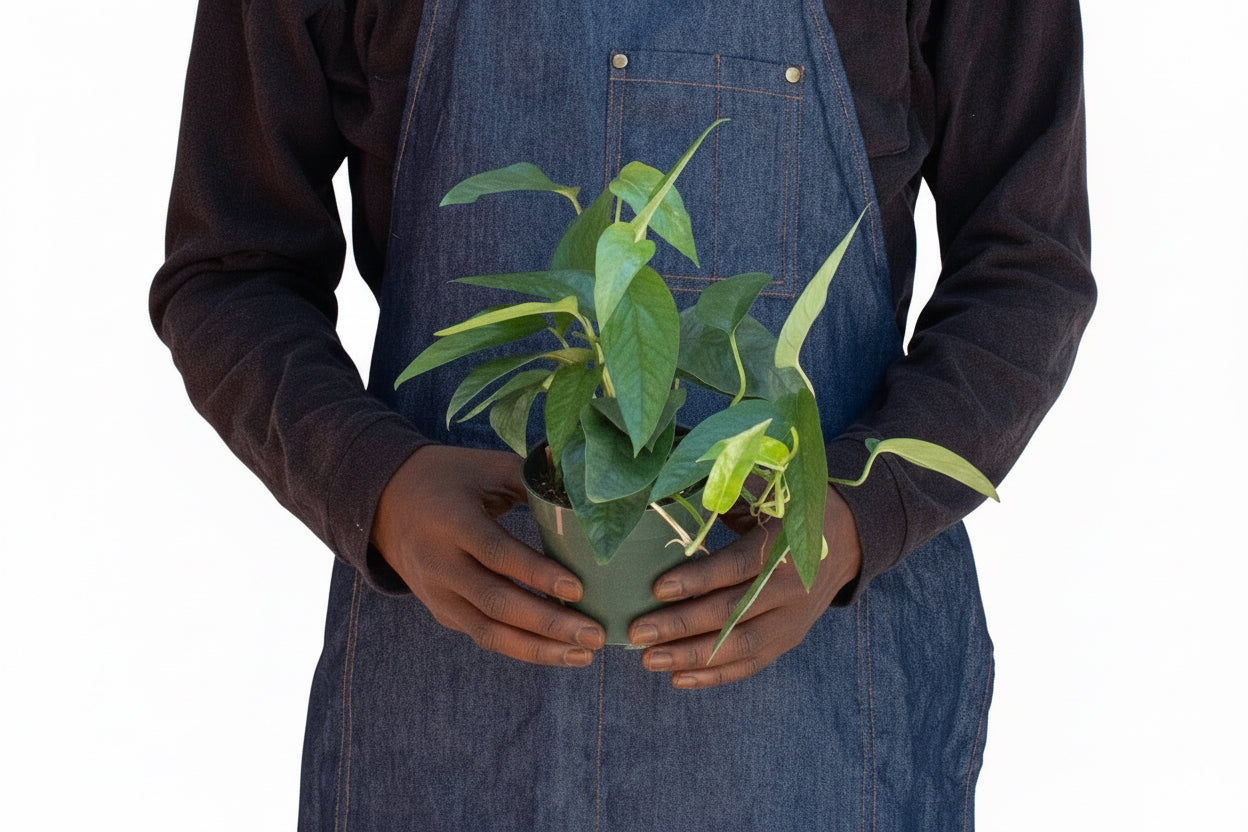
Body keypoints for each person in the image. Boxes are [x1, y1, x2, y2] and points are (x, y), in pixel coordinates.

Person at [152, 0, 1094, 828]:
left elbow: (1028, 266)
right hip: (443, 722)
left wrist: (851, 515)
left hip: (817, 729)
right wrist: (375, 486)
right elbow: (231, 269)